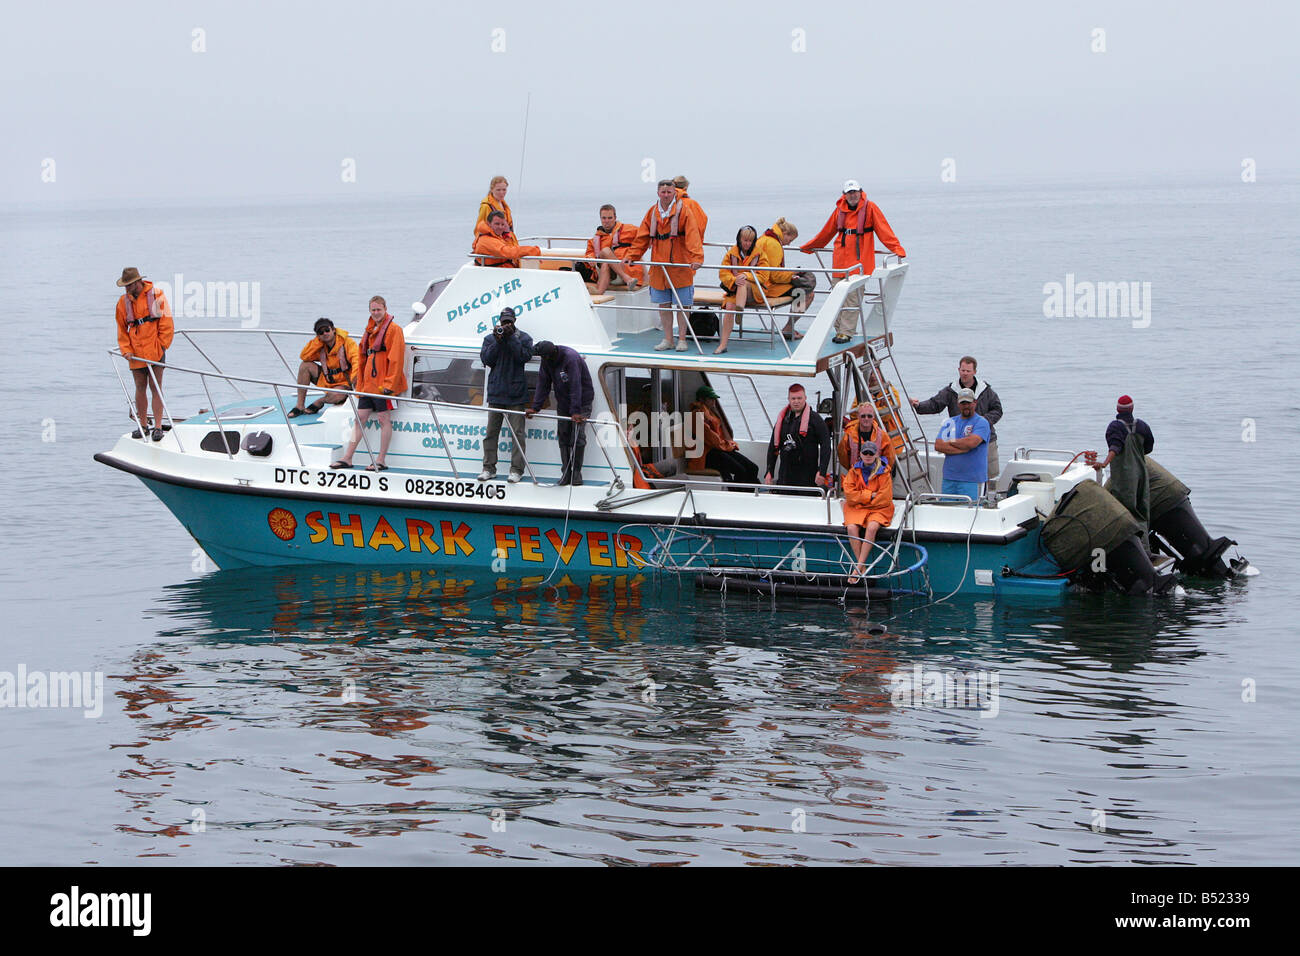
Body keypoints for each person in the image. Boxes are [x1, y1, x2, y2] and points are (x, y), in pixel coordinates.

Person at [799, 180, 906, 344]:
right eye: (849, 192)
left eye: (855, 192)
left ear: (860, 192)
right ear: (845, 195)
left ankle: (846, 333)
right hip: (840, 262)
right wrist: (810, 246)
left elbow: (884, 230)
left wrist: (897, 249)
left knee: (852, 299)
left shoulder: (871, 208)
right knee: (836, 297)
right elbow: (827, 232)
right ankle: (839, 329)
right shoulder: (839, 210)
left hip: (860, 263)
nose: (853, 195)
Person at [623, 179, 704, 352]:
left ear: (674, 192)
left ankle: (682, 339)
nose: (666, 195)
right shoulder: (652, 212)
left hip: (680, 265)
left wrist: (697, 257)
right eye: (663, 192)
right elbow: (642, 237)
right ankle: (668, 339)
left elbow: (692, 235)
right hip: (659, 266)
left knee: (683, 305)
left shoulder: (685, 211)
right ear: (658, 193)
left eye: (669, 192)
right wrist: (632, 255)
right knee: (664, 305)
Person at [331, 296, 407, 471]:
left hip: (384, 386)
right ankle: (347, 457)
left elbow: (396, 358)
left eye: (378, 310)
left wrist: (390, 384)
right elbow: (363, 356)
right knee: (360, 419)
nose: (376, 313)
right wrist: (360, 383)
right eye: (373, 310)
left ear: (385, 309)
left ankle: (381, 459)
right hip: (368, 385)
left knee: (384, 419)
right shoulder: (370, 330)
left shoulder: (395, 330)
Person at [910, 355, 1003, 481]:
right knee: (963, 473)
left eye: (968, 371)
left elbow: (998, 410)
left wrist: (982, 422)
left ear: (974, 372)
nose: (965, 374)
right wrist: (919, 406)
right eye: (963, 370)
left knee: (989, 474)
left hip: (986, 439)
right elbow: (935, 404)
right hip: (959, 437)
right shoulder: (951, 390)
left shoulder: (986, 390)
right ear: (958, 370)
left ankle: (987, 497)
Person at [114, 266, 174, 441]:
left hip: (155, 350)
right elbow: (121, 329)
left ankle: (157, 427)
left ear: (137, 282)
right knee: (140, 388)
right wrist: (126, 350)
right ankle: (143, 425)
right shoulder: (122, 302)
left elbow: (167, 323)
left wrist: (162, 346)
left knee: (156, 387)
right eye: (124, 286)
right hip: (135, 352)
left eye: (128, 285)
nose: (126, 289)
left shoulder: (156, 295)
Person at [478, 307, 534, 483]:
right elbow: (487, 360)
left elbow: (523, 357)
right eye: (504, 322)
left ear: (515, 321)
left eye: (509, 322)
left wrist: (511, 339)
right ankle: (488, 468)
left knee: (517, 434)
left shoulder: (524, 338)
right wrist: (498, 340)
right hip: (496, 393)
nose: (506, 324)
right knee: (490, 434)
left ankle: (516, 470)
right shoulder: (490, 338)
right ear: (499, 321)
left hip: (516, 395)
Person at [1086, 395, 1155, 534]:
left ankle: (1129, 545)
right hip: (1141, 475)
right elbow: (1148, 448)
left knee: (1125, 511)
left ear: (1117, 409)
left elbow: (1115, 447)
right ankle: (1145, 549)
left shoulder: (1115, 426)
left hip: (1124, 478)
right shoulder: (1142, 426)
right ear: (1132, 408)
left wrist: (1104, 463)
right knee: (1141, 513)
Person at [528, 340, 594, 486]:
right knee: (563, 435)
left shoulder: (570, 358)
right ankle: (566, 473)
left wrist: (576, 411)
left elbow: (576, 385)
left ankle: (576, 474)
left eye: (542, 357)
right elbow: (543, 383)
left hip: (582, 402)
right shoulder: (546, 361)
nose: (542, 359)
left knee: (578, 437)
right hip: (563, 402)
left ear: (549, 355)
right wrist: (536, 407)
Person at [842, 440, 895, 583]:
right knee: (852, 527)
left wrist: (862, 497)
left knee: (872, 528)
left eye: (871, 453)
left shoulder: (884, 472)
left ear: (876, 454)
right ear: (860, 454)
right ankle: (862, 566)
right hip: (858, 508)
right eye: (865, 452)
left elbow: (884, 498)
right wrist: (868, 495)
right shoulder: (854, 471)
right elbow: (849, 494)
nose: (868, 455)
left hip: (879, 509)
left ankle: (858, 566)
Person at [764, 383, 832, 493]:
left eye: (799, 398)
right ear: (789, 399)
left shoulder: (815, 419)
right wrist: (769, 471)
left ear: (805, 398)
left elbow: (826, 445)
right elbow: (773, 447)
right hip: (785, 475)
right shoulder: (783, 420)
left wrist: (822, 471)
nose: (796, 401)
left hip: (807, 475)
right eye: (793, 398)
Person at [687, 386, 760, 486]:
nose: (714, 401)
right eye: (710, 398)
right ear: (701, 399)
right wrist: (728, 446)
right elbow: (713, 441)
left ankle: (750, 493)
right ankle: (738, 493)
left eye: (714, 398)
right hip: (706, 455)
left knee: (753, 468)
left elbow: (722, 436)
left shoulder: (712, 414)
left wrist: (728, 445)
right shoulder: (696, 416)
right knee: (740, 470)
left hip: (718, 450)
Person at [755, 219, 812, 340]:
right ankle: (789, 327)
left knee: (800, 289)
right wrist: (793, 275)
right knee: (806, 293)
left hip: (758, 283)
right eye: (790, 240)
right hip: (767, 287)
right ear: (785, 233)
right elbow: (775, 276)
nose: (789, 244)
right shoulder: (774, 244)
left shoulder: (763, 238)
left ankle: (789, 328)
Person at [289, 318, 359, 417]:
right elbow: (304, 356)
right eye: (321, 332)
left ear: (334, 330)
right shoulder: (320, 345)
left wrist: (355, 381)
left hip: (345, 384)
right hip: (327, 380)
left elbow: (357, 360)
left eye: (327, 330)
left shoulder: (347, 343)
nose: (325, 333)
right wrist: (319, 341)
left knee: (337, 395)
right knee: (305, 365)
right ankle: (300, 406)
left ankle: (320, 401)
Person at [932, 387, 990, 500]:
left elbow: (971, 443)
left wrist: (951, 442)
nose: (966, 406)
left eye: (968, 403)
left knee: (971, 513)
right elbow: (938, 445)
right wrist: (962, 448)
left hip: (972, 480)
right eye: (963, 403)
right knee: (948, 511)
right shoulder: (950, 422)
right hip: (949, 479)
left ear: (975, 402)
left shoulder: (981, 422)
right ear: (958, 404)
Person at [716, 226, 760, 353]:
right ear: (739, 240)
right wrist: (733, 280)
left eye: (750, 241)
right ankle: (723, 345)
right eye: (745, 240)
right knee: (729, 307)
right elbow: (723, 273)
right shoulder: (731, 254)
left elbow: (764, 275)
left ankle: (740, 310)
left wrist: (747, 275)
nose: (747, 243)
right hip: (734, 290)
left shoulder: (760, 254)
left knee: (742, 281)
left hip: (753, 290)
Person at [582, 205, 644, 292]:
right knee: (606, 253)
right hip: (606, 274)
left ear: (615, 217)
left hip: (625, 269)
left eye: (609, 218)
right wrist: (590, 259)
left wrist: (650, 242)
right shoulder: (595, 239)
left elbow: (644, 234)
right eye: (604, 218)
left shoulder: (629, 229)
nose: (606, 221)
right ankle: (626, 279)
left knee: (606, 263)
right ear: (600, 219)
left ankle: (599, 292)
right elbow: (589, 253)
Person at [837, 401, 895, 472]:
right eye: (863, 416)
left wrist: (881, 471)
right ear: (858, 416)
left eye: (869, 416)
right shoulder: (849, 435)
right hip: (856, 476)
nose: (866, 419)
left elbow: (890, 457)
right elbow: (843, 456)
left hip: (876, 476)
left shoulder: (882, 436)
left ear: (874, 416)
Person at [473, 210, 541, 267]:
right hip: (498, 274)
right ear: (489, 224)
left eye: (502, 224)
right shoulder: (486, 240)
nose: (500, 227)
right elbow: (507, 251)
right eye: (497, 224)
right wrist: (532, 250)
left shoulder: (495, 236)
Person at [672, 175, 708, 239]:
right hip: (685, 243)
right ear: (685, 188)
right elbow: (700, 225)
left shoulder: (665, 203)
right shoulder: (691, 204)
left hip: (667, 245)